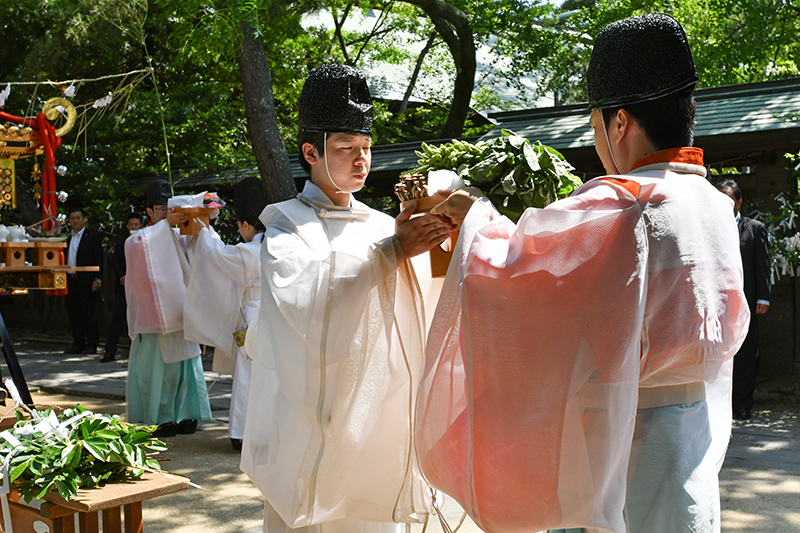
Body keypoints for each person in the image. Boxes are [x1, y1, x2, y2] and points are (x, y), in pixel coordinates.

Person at [419, 14, 750, 533]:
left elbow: (519, 271)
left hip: (623, 440)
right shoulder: (712, 204)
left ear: (620, 123)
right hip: (692, 429)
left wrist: (476, 213)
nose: (597, 140)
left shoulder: (627, 202)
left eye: (595, 125)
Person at [242, 64, 451, 533]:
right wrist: (395, 252)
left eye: (366, 148)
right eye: (345, 149)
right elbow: (305, 303)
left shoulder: (382, 223)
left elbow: (419, 303)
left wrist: (439, 246)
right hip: (317, 416)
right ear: (310, 151)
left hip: (381, 413)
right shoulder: (286, 226)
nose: (361, 161)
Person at [183, 177, 269, 451]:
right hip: (278, 317)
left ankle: (242, 432)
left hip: (252, 316)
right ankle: (268, 432)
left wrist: (205, 231)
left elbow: (216, 258)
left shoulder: (247, 252)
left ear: (246, 225)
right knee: (271, 378)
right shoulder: (279, 247)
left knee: (246, 377)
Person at [124, 181, 212, 438]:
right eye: (161, 209)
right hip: (156, 317)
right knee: (159, 371)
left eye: (169, 208)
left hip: (183, 313)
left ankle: (186, 414)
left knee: (187, 368)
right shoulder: (140, 239)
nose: (166, 213)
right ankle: (161, 417)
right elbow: (137, 251)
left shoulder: (176, 233)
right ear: (150, 211)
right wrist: (166, 226)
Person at [717, 179, 771, 420]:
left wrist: (764, 297)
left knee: (746, 353)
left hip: (747, 300)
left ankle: (742, 404)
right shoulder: (712, 226)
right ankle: (722, 403)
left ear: (739, 201)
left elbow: (763, 265)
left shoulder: (753, 228)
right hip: (718, 302)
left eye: (729, 199)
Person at [101, 212, 144, 363]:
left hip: (140, 288)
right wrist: (122, 277)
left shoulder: (145, 242)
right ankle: (109, 352)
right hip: (123, 286)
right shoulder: (122, 243)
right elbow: (115, 262)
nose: (133, 227)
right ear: (127, 226)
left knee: (141, 320)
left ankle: (141, 353)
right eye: (131, 224)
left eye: (136, 225)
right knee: (118, 318)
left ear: (141, 226)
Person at [64, 206, 104, 355]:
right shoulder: (68, 238)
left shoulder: (92, 236)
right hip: (72, 279)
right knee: (74, 313)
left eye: (78, 218)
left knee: (89, 313)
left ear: (84, 219)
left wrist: (98, 279)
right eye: (72, 218)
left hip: (87, 280)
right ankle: (78, 343)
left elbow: (99, 258)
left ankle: (92, 344)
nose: (75, 221)